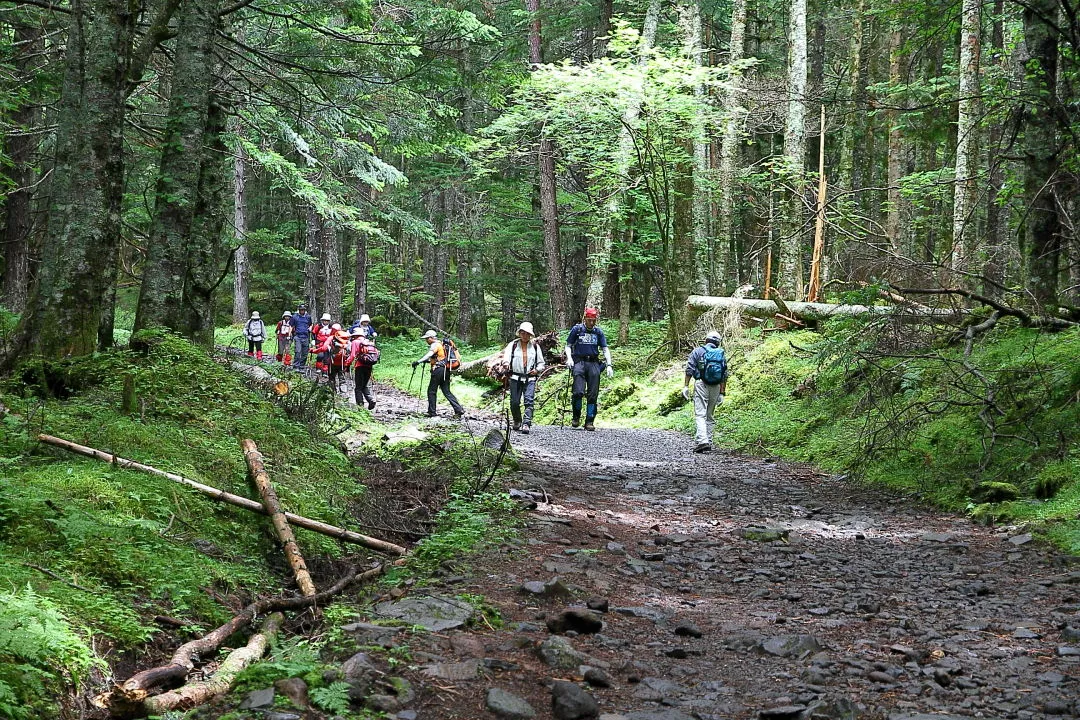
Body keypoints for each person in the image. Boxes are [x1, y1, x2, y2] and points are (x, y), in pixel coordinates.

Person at [564, 307, 613, 431]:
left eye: (594, 320)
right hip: (579, 362)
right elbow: (568, 345)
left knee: (593, 394)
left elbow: (605, 348)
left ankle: (589, 421)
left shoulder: (598, 332)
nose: (592, 322)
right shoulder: (577, 329)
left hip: (593, 363)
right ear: (585, 318)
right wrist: (569, 358)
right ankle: (576, 417)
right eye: (589, 320)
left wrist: (609, 365)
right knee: (578, 392)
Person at [681, 330, 729, 453]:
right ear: (718, 342)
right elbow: (724, 374)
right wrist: (722, 393)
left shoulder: (698, 351)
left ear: (706, 340)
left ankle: (703, 441)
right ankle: (709, 440)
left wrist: (686, 386)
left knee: (700, 413)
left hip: (701, 384)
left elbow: (689, 369)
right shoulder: (721, 354)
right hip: (716, 386)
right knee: (709, 415)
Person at [501, 321, 545, 434]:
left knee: (529, 401)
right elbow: (506, 358)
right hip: (515, 377)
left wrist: (537, 370)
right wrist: (506, 363)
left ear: (530, 335)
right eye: (523, 333)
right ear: (520, 333)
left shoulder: (535, 347)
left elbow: (541, 363)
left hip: (530, 378)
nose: (525, 335)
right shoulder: (513, 345)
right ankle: (517, 420)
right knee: (514, 402)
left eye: (527, 333)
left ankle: (526, 423)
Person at [412, 329, 464, 418]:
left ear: (431, 338)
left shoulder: (435, 345)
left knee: (431, 391)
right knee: (446, 391)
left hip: (438, 370)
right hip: (446, 370)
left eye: (427, 338)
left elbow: (429, 354)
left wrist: (418, 361)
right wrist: (428, 362)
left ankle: (432, 412)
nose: (426, 340)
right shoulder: (441, 345)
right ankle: (458, 409)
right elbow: (440, 358)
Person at [346, 326, 378, 409]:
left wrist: (346, 364)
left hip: (360, 366)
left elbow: (352, 355)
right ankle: (371, 400)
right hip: (369, 366)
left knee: (358, 387)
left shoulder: (355, 342)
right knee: (364, 385)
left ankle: (360, 406)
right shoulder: (368, 342)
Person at [288, 304, 313, 369]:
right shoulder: (294, 317)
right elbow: (291, 326)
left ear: (305, 310)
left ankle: (302, 366)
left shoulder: (308, 317)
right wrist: (289, 335)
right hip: (298, 336)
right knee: (298, 351)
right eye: (301, 310)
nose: (302, 311)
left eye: (303, 310)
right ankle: (296, 366)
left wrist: (310, 328)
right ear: (299, 310)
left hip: (306, 336)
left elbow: (311, 324)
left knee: (305, 353)